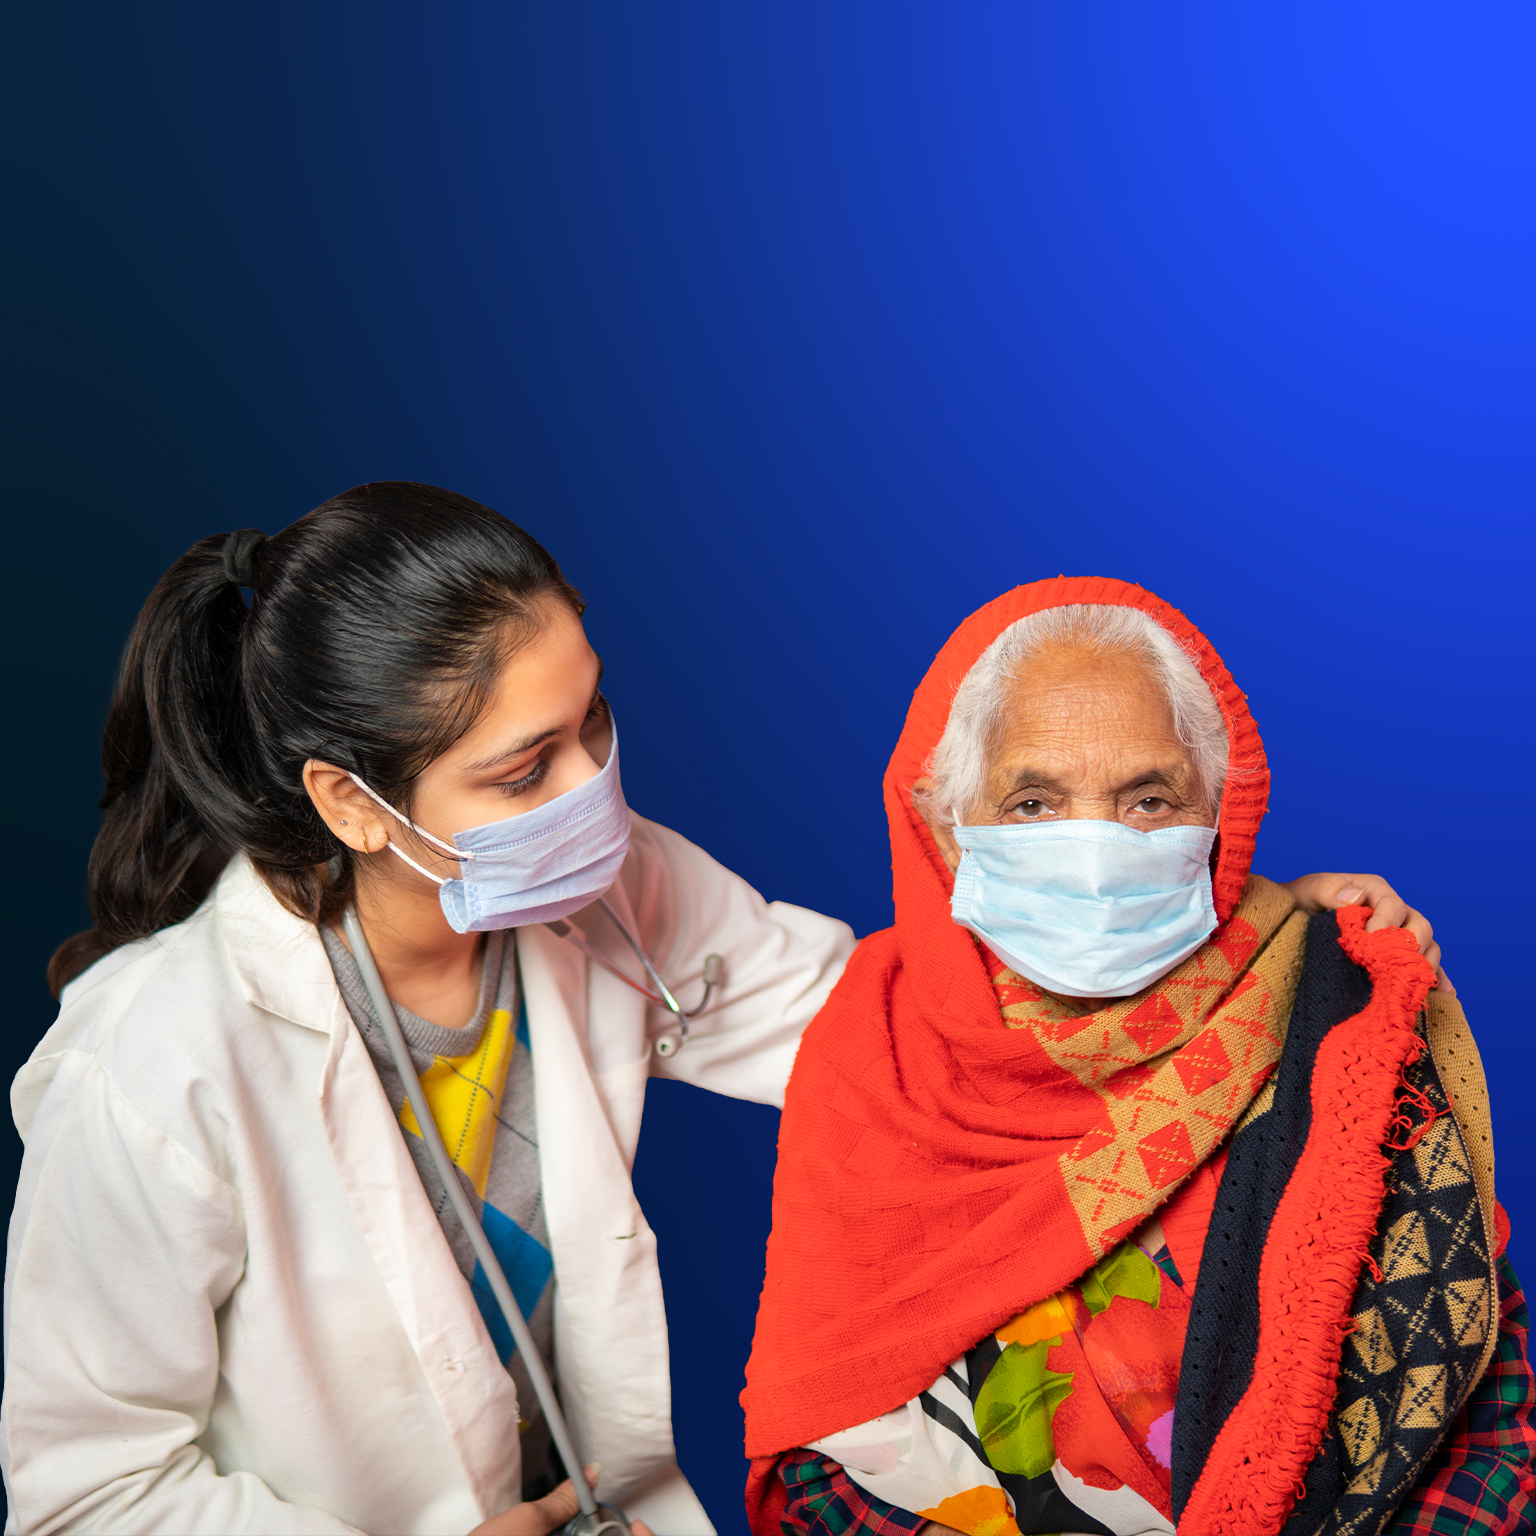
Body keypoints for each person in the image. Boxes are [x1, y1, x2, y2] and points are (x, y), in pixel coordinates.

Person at [2, 497, 1439, 1536]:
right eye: (522, 774)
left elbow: (901, 1023)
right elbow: (84, 1492)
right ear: (349, 805)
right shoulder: (154, 1063)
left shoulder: (607, 897)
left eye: (596, 724)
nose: (591, 796)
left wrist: (1242, 922)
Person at [743, 576, 1534, 1536]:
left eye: (1150, 799)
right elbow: (823, 1425)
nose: (1094, 849)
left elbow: (1483, 1407)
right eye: (1032, 802)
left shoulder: (1332, 1009)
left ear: (1221, 817)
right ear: (947, 826)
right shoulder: (877, 1044)